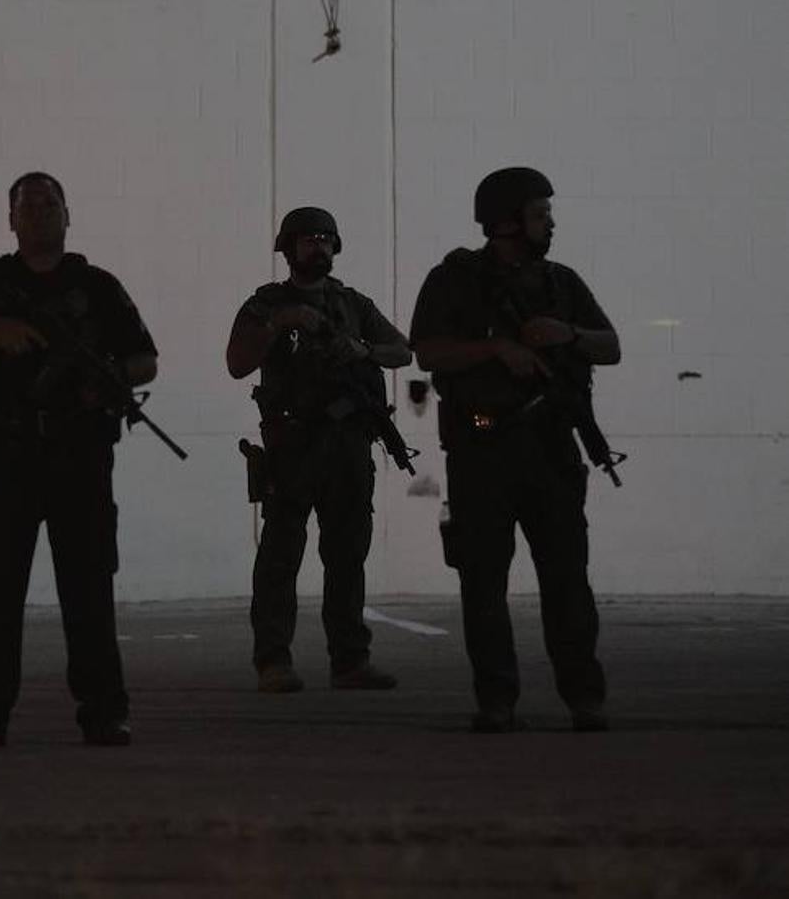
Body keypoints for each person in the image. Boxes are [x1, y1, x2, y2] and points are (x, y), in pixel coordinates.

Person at [0, 172, 158, 748]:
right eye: (26, 206)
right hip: (6, 457)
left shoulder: (99, 287)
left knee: (88, 591)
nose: (38, 213)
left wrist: (102, 379)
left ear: (68, 212)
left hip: (81, 457)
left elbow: (145, 361)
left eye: (49, 203)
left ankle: (104, 711)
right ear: (10, 220)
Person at [409, 167, 620, 733]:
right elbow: (427, 352)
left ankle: (584, 696)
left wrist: (566, 335)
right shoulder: (455, 280)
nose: (549, 222)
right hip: (483, 452)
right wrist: (496, 349)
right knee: (482, 583)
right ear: (505, 221)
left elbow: (611, 346)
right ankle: (496, 699)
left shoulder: (562, 284)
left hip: (551, 452)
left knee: (568, 581)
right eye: (538, 213)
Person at [225, 207, 412, 694]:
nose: (319, 247)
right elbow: (238, 363)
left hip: (348, 445)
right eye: (309, 239)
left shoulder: (352, 304)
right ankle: (273, 661)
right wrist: (282, 322)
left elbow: (402, 351)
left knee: (347, 555)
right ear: (288, 248)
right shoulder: (266, 303)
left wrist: (363, 351)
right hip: (293, 446)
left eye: (326, 239)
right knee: (281, 556)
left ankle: (350, 660)